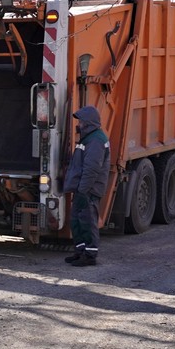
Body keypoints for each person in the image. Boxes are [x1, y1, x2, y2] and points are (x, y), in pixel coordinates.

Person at [62, 106, 111, 267]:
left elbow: (91, 169)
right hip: (83, 189)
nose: (79, 124)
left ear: (88, 123)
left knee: (87, 221)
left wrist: (83, 190)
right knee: (77, 220)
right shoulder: (89, 138)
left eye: (81, 121)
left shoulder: (95, 140)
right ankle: (80, 251)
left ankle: (90, 255)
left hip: (88, 190)